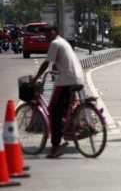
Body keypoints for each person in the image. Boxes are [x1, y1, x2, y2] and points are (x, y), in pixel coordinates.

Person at [29, 25, 85, 158]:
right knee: (66, 109)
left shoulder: (55, 43)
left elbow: (46, 63)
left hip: (66, 81)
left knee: (53, 112)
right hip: (77, 78)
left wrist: (36, 78)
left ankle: (55, 146)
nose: (47, 35)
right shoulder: (63, 42)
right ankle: (76, 127)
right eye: (45, 33)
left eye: (49, 32)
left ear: (56, 32)